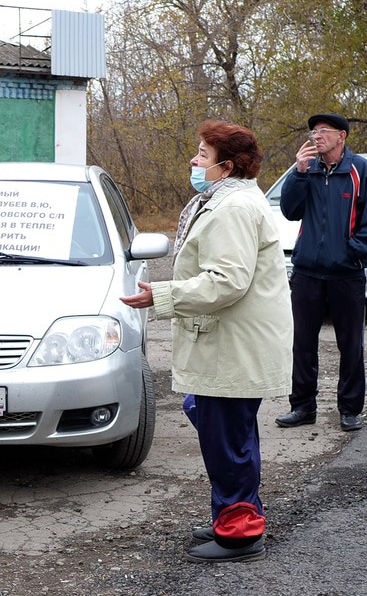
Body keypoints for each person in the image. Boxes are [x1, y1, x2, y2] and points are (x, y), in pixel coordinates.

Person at [121, 120, 291, 563]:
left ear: (227, 166)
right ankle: (234, 513)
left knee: (227, 439)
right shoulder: (222, 201)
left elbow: (227, 281)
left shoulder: (233, 208)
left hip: (232, 345)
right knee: (219, 426)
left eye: (202, 155)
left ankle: (239, 532)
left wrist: (161, 295)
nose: (195, 162)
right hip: (228, 344)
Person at [275, 114, 367, 432]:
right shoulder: (306, 170)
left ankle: (350, 409)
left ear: (341, 136)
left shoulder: (359, 170)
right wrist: (297, 172)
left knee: (350, 344)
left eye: (323, 131)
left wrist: (351, 251)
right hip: (307, 273)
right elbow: (289, 210)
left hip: (346, 275)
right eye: (314, 131)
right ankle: (302, 407)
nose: (317, 136)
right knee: (302, 343)